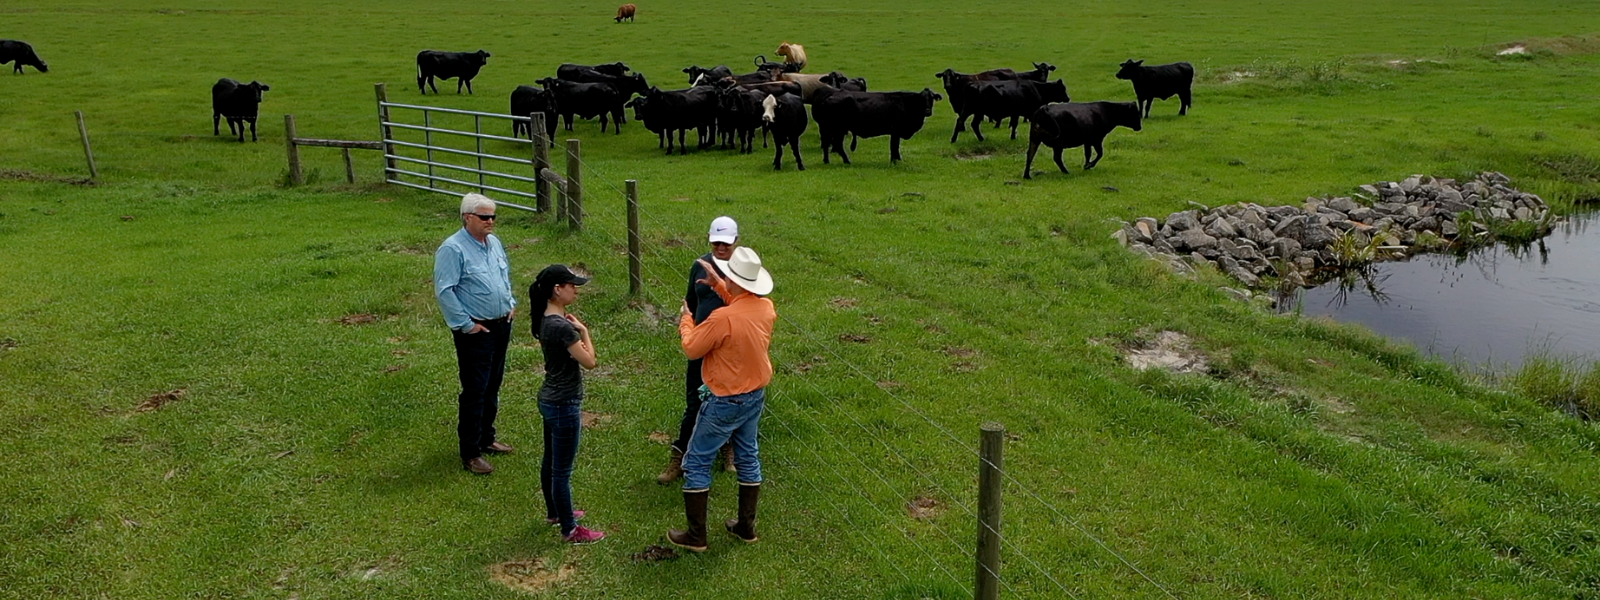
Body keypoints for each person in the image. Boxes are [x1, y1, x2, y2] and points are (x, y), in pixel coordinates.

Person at [668, 246, 776, 552]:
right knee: (748, 455)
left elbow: (692, 348)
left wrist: (686, 320)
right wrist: (719, 285)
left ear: (735, 281)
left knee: (697, 459)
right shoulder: (766, 309)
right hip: (754, 396)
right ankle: (746, 526)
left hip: (724, 399)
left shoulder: (720, 319)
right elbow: (742, 309)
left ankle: (696, 536)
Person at [434, 193, 516, 475]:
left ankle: (487, 438)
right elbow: (445, 291)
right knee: (475, 389)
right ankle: (470, 452)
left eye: (493, 216)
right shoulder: (452, 249)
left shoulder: (493, 243)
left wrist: (510, 303)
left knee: (493, 383)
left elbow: (502, 277)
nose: (490, 222)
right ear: (467, 217)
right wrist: (466, 325)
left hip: (500, 324)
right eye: (484, 217)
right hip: (476, 329)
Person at [657, 216, 742, 485]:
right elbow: (691, 301)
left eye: (726, 243)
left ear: (736, 242)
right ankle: (680, 455)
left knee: (727, 399)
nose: (721, 247)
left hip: (729, 349)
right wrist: (689, 325)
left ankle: (728, 448)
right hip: (703, 344)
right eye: (716, 242)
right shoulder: (699, 266)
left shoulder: (745, 270)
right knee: (695, 400)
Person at [530, 264, 607, 544]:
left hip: (549, 399)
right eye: (571, 285)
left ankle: (555, 512)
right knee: (562, 471)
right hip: (565, 403)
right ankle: (570, 529)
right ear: (556, 290)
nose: (576, 289)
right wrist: (584, 332)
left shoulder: (545, 320)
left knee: (550, 460)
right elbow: (589, 362)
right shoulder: (562, 328)